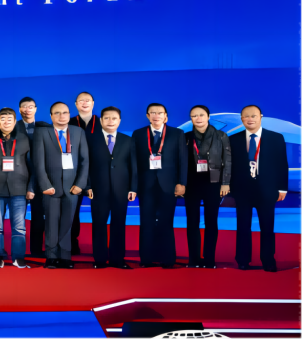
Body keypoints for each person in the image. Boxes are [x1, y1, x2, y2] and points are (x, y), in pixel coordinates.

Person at [32, 102, 90, 269]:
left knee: (67, 223)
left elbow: (85, 161)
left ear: (69, 115)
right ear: (51, 116)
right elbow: (38, 163)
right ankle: (51, 257)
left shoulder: (78, 132)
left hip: (72, 188)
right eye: (57, 113)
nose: (61, 116)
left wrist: (80, 184)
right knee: (51, 223)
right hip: (50, 187)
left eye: (65, 113)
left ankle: (65, 257)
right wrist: (45, 184)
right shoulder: (42, 133)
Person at [230, 105, 287, 272]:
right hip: (242, 190)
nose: (250, 119)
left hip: (267, 189)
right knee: (243, 227)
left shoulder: (276, 138)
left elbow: (282, 164)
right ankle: (242, 260)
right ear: (241, 119)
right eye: (246, 116)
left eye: (253, 116)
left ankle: (268, 260)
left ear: (261, 116)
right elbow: (228, 166)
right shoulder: (233, 139)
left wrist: (282, 188)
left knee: (267, 227)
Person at [132, 103, 187, 268]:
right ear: (148, 116)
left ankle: (168, 259)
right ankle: (146, 259)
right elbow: (134, 162)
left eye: (160, 113)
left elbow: (182, 160)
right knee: (146, 222)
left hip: (169, 185)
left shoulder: (177, 133)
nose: (156, 115)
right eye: (153, 113)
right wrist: (134, 186)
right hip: (146, 185)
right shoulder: (138, 134)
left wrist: (182, 183)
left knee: (166, 221)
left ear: (166, 116)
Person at [85, 106, 137, 269]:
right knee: (98, 224)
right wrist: (87, 186)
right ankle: (99, 260)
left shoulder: (128, 140)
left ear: (119, 121)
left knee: (119, 224)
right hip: (98, 190)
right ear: (101, 120)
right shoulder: (91, 139)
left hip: (122, 190)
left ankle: (117, 260)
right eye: (106, 118)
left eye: (114, 118)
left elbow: (133, 166)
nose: (110, 121)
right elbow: (85, 164)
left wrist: (133, 188)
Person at [181, 105, 232, 268]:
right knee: (192, 222)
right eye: (194, 116)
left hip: (214, 183)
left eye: (201, 115)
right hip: (191, 184)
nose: (198, 118)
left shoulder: (221, 136)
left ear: (208, 117)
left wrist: (225, 183)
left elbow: (228, 161)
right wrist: (181, 183)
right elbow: (180, 163)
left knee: (211, 221)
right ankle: (194, 259)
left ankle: (210, 259)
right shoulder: (186, 137)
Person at [0, 108, 33, 269]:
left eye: (9, 119)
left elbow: (32, 165)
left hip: (19, 188)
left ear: (14, 122)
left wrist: (31, 187)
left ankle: (18, 257)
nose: (6, 122)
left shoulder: (24, 139)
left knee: (19, 227)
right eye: (3, 119)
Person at [17, 97, 49, 258]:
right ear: (19, 109)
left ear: (35, 109)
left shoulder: (45, 127)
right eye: (24, 106)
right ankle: (17, 251)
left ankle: (36, 250)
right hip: (18, 175)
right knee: (17, 216)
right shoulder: (13, 126)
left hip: (39, 176)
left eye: (30, 106)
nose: (27, 109)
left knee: (38, 215)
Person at [69, 92, 100, 255]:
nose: (85, 103)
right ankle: (71, 243)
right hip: (75, 174)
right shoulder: (69, 122)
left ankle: (99, 247)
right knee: (72, 212)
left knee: (100, 212)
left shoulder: (102, 122)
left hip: (98, 174)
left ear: (93, 103)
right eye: (81, 101)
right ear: (76, 104)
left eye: (88, 100)